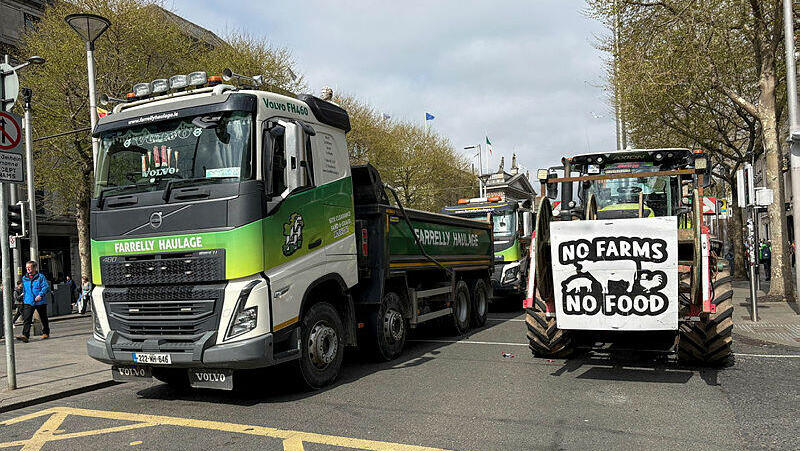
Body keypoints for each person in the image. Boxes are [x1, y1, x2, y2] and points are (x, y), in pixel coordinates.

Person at [15, 261, 51, 343]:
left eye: (29, 267)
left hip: (40, 301)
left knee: (43, 317)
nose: (27, 269)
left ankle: (46, 332)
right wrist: (23, 296)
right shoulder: (24, 278)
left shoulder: (40, 277)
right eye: (26, 267)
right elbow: (25, 288)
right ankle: (25, 335)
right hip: (28, 301)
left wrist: (40, 295)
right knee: (27, 318)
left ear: (35, 268)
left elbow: (45, 287)